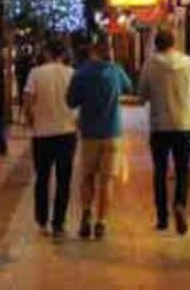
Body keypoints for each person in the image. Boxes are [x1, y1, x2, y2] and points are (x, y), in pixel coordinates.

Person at [137, 27, 190, 235]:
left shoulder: (150, 64)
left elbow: (142, 94)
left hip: (160, 125)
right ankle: (180, 204)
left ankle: (162, 218)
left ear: (156, 44)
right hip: (184, 124)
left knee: (159, 172)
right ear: (174, 43)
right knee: (183, 170)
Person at [66, 38, 132, 240]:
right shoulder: (115, 71)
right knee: (107, 181)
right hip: (112, 133)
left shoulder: (82, 72)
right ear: (109, 52)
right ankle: (101, 222)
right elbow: (129, 88)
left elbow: (70, 101)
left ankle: (86, 213)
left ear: (94, 51)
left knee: (87, 177)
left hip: (89, 134)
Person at [23, 38, 77, 238]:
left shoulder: (35, 73)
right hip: (66, 133)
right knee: (64, 180)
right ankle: (59, 224)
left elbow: (27, 102)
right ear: (64, 54)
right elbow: (78, 103)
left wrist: (31, 122)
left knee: (42, 178)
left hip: (42, 134)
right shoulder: (72, 74)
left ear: (46, 53)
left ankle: (42, 220)